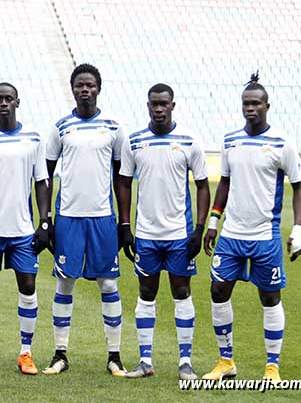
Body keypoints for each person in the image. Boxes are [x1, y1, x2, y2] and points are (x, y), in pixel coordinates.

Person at [203, 74, 301, 382]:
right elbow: (225, 182)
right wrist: (213, 222)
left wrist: (298, 229)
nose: (250, 109)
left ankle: (272, 367)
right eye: (246, 103)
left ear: (267, 106)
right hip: (232, 235)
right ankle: (226, 362)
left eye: (256, 103)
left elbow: (299, 188)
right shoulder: (230, 140)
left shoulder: (282, 143)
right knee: (218, 290)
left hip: (265, 235)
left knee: (270, 297)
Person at [117, 83, 209, 380]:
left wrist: (198, 230)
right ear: (148, 106)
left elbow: (203, 185)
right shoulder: (135, 142)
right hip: (146, 233)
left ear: (172, 105)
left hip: (179, 235)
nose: (158, 108)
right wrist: (126, 225)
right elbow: (124, 183)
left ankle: (185, 363)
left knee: (181, 292)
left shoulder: (189, 141)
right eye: (154, 104)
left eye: (163, 104)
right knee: (146, 293)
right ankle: (145, 361)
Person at [43, 64, 129, 376]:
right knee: (65, 283)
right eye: (79, 85)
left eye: (90, 85)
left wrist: (124, 223)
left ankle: (114, 355)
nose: (84, 90)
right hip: (68, 218)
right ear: (73, 88)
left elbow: (122, 177)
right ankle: (60, 353)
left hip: (102, 219)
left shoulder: (114, 127)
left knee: (108, 284)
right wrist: (46, 219)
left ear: (98, 88)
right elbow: (46, 175)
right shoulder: (61, 127)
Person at [0, 82, 52, 376]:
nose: (4, 103)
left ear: (18, 102)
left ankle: (26, 353)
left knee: (28, 287)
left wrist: (44, 221)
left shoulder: (33, 139)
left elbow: (41, 181)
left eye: (9, 99)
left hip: (22, 230)